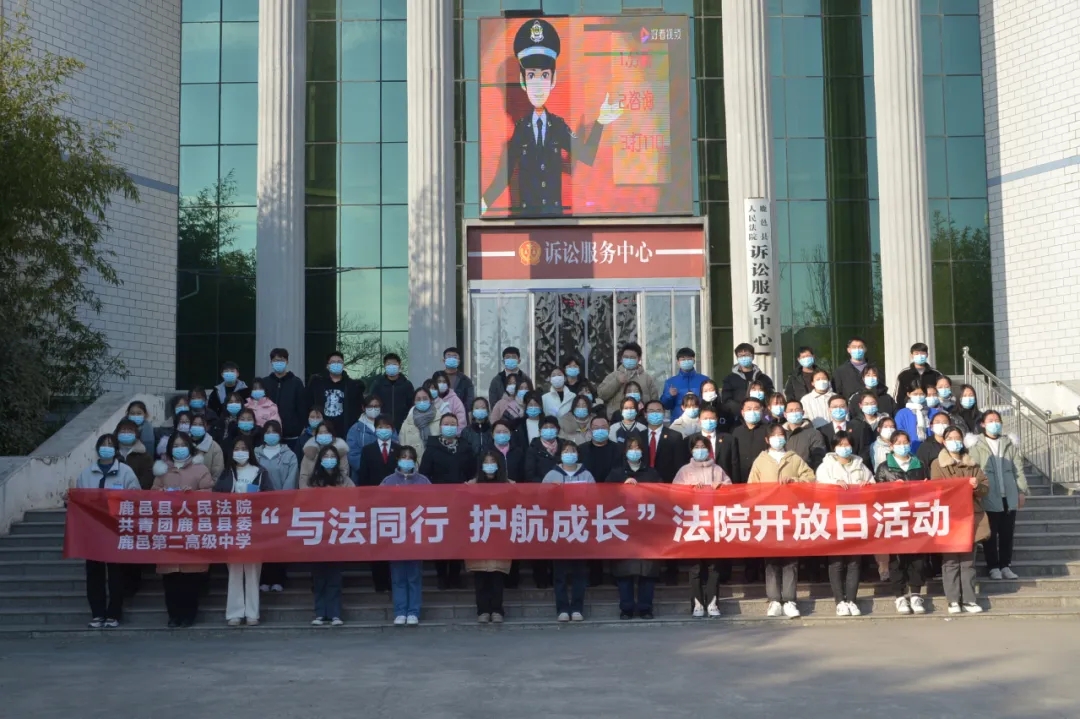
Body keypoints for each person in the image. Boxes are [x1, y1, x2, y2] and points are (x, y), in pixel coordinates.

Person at [480, 17, 622, 218]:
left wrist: (600, 122)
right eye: (531, 76)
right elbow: (502, 178)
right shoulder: (520, 131)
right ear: (523, 81)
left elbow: (587, 156)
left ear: (553, 80)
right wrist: (480, 205)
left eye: (544, 76)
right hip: (526, 222)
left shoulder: (557, 126)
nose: (538, 86)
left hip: (555, 221)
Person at [77, 434, 140, 628]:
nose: (107, 447)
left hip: (116, 530)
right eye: (103, 444)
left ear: (116, 449)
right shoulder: (86, 474)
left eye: (110, 444)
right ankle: (97, 614)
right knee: (94, 573)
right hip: (93, 530)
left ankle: (114, 614)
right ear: (97, 449)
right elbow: (79, 500)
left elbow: (136, 497)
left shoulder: (126, 472)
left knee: (116, 574)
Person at [152, 432, 214, 627]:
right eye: (176, 445)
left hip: (191, 529)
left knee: (190, 577)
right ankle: (173, 615)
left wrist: (193, 494)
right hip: (168, 529)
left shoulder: (200, 469)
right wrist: (161, 493)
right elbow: (151, 495)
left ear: (190, 447)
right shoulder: (162, 471)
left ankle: (189, 614)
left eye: (183, 445)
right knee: (170, 577)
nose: (179, 448)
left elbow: (209, 494)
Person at [929, 426, 990, 614]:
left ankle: (969, 600)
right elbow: (937, 487)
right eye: (950, 438)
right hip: (949, 518)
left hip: (970, 517)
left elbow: (985, 488)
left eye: (957, 438)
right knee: (950, 561)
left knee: (968, 561)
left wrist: (976, 485)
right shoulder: (937, 464)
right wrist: (960, 485)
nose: (954, 442)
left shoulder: (972, 463)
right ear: (944, 441)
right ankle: (953, 600)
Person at [815, 432, 874, 617]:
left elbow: (874, 486)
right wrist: (834, 484)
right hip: (834, 519)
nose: (844, 448)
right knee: (837, 562)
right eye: (840, 445)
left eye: (847, 444)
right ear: (834, 447)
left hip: (856, 519)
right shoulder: (826, 466)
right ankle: (840, 601)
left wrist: (867, 484)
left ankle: (852, 600)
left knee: (854, 562)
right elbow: (818, 489)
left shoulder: (860, 465)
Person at [673, 434, 734, 616]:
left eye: (703, 447)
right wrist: (690, 488)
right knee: (695, 567)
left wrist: (721, 486)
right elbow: (674, 493)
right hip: (693, 523)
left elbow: (731, 490)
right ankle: (697, 604)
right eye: (696, 447)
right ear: (691, 450)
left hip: (713, 523)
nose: (700, 450)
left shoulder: (717, 469)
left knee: (714, 566)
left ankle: (713, 603)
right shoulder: (684, 470)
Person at [213, 436, 269, 626]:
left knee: (253, 572)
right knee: (235, 571)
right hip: (232, 527)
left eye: (243, 448)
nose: (240, 452)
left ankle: (252, 612)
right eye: (236, 448)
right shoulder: (226, 473)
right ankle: (235, 612)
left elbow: (271, 497)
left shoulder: (260, 472)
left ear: (250, 451)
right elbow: (216, 498)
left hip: (254, 528)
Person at [605, 437, 662, 619]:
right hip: (623, 529)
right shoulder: (616, 473)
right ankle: (626, 608)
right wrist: (621, 488)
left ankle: (645, 608)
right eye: (631, 448)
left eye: (638, 448)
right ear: (625, 451)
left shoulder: (651, 473)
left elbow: (663, 496)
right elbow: (604, 497)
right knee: (624, 571)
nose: (634, 451)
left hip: (647, 529)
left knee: (647, 571)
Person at [874, 429, 930, 614]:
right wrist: (891, 489)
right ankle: (899, 596)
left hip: (916, 517)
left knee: (917, 558)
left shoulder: (919, 464)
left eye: (905, 442)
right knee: (897, 560)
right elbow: (877, 494)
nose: (902, 446)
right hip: (895, 518)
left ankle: (915, 594)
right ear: (891, 446)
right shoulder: (884, 468)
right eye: (898, 443)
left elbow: (929, 488)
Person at [969, 410, 1029, 581]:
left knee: (1007, 533)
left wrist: (1021, 491)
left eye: (997, 420)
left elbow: (1018, 470)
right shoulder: (977, 445)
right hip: (988, 496)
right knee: (990, 534)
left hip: (1008, 496)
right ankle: (993, 567)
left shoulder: (1009, 444)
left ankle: (1005, 565)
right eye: (990, 420)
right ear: (983, 424)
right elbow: (974, 470)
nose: (994, 423)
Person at [420, 414, 476, 589]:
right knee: (441, 539)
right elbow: (424, 474)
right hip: (439, 502)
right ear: (440, 426)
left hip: (460, 501)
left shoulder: (465, 448)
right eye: (446, 424)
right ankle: (441, 576)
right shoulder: (432, 449)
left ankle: (455, 575)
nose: (449, 427)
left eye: (453, 424)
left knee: (458, 538)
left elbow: (472, 473)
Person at [543, 440, 595, 621]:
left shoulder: (586, 475)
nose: (569, 454)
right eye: (566, 451)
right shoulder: (552, 475)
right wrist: (552, 492)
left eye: (573, 451)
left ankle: (577, 608)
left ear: (578, 454)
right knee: (560, 573)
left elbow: (596, 498)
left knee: (580, 572)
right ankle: (563, 609)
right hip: (559, 529)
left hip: (580, 527)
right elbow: (540, 499)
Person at [381, 446, 430, 626]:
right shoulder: (388, 481)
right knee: (398, 576)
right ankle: (400, 611)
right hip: (395, 535)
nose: (407, 460)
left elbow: (433, 503)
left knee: (414, 576)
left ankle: (413, 611)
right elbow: (377, 503)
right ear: (397, 460)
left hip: (416, 534)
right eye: (403, 457)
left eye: (410, 457)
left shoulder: (423, 481)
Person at [305, 445, 352, 627]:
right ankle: (320, 613)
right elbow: (304, 501)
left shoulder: (344, 480)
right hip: (317, 532)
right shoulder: (313, 481)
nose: (329, 459)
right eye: (326, 456)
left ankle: (334, 613)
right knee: (318, 576)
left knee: (334, 576)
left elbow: (355, 498)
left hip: (337, 532)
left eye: (333, 456)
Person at [466, 452, 513, 623]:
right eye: (486, 462)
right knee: (480, 576)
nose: (489, 465)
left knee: (497, 575)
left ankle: (497, 610)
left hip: (500, 536)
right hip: (479, 535)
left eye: (493, 461)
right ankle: (483, 610)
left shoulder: (509, 486)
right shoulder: (470, 486)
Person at [255, 420, 297, 593]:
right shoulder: (255, 453)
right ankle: (264, 578)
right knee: (263, 543)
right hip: (260, 507)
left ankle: (279, 578)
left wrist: (281, 499)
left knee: (280, 543)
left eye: (274, 431)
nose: (271, 434)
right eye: (268, 431)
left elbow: (291, 479)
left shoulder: (289, 455)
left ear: (280, 434)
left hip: (281, 505)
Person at [308, 350, 366, 438]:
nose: (336, 364)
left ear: (343, 365)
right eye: (333, 362)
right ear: (327, 366)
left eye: (339, 362)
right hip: (322, 432)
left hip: (345, 432)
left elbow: (358, 408)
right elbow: (308, 404)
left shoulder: (351, 385)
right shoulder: (318, 384)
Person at [598, 341, 659, 417]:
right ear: (622, 358)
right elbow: (602, 394)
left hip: (641, 418)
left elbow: (655, 401)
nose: (629, 359)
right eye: (626, 357)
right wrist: (617, 382)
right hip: (617, 418)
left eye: (632, 357)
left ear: (639, 359)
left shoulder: (647, 378)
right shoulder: (613, 376)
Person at [261, 348, 307, 446]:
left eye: (281, 360)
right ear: (271, 362)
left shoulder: (296, 382)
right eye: (275, 360)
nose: (278, 363)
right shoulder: (265, 382)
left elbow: (302, 408)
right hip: (269, 434)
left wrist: (299, 428)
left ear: (287, 361)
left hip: (291, 436)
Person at [720, 343, 775, 418]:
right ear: (737, 358)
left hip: (761, 416)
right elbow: (726, 400)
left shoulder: (764, 378)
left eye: (746, 355)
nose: (743, 357)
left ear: (752, 356)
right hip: (738, 417)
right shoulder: (729, 379)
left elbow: (771, 398)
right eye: (740, 355)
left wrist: (761, 409)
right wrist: (744, 410)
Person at [818, 396, 874, 467]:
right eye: (834, 407)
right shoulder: (821, 431)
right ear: (829, 409)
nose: (838, 409)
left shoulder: (859, 428)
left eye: (842, 406)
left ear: (847, 409)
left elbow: (864, 452)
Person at [365, 352, 414, 432]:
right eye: (388, 364)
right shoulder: (378, 384)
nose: (391, 366)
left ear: (399, 366)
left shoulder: (407, 385)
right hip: (382, 427)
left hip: (403, 427)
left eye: (394, 364)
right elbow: (371, 404)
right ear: (384, 366)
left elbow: (411, 406)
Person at [347, 394, 395, 475]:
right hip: (363, 474)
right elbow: (352, 454)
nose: (373, 409)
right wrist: (366, 469)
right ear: (363, 408)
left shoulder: (388, 425)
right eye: (370, 406)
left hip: (388, 473)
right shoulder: (355, 429)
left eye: (376, 406)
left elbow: (395, 445)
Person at [642, 400, 687, 483]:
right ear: (645, 414)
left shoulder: (675, 436)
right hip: (642, 483)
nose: (655, 414)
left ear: (664, 413)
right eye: (651, 411)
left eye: (658, 411)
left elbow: (679, 464)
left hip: (667, 483)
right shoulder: (638, 436)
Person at [661, 347, 709, 420]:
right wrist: (669, 396)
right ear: (678, 362)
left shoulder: (704, 380)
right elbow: (666, 406)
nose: (686, 361)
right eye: (683, 359)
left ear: (694, 360)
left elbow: (709, 403)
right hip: (678, 422)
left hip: (700, 421)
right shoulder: (671, 382)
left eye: (689, 359)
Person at [299, 421, 351, 488]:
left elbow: (344, 475)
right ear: (316, 436)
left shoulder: (341, 451)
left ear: (332, 434)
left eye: (326, 432)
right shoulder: (309, 452)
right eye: (320, 433)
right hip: (313, 491)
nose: (323, 435)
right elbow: (303, 477)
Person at [399, 387, 444, 463]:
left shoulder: (440, 420)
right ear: (414, 402)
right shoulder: (407, 423)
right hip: (414, 465)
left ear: (431, 400)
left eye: (425, 398)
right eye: (418, 399)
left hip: (436, 464)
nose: (422, 402)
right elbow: (402, 446)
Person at [893, 382, 939, 454]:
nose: (919, 397)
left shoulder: (933, 412)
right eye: (915, 394)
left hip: (931, 449)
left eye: (921, 394)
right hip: (911, 449)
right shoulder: (902, 414)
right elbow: (899, 432)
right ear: (908, 394)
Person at [731, 398, 769, 485]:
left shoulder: (768, 430)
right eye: (749, 409)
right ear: (742, 412)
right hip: (741, 480)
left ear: (761, 411)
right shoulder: (736, 432)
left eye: (756, 409)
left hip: (763, 479)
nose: (752, 412)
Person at [781, 400, 827, 470]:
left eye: (797, 410)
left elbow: (818, 458)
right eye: (791, 410)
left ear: (802, 413)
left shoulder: (814, 433)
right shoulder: (780, 433)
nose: (794, 413)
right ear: (785, 414)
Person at [577, 414, 621, 483]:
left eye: (603, 427)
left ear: (609, 429)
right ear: (590, 430)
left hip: (611, 486)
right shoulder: (581, 449)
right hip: (588, 486)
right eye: (596, 428)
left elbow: (619, 471)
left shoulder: (618, 449)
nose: (600, 430)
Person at [115, 418, 154, 490]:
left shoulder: (145, 456)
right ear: (117, 433)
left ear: (136, 434)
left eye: (130, 430)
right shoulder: (112, 454)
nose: (126, 433)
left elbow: (147, 480)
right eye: (123, 430)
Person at [833, 337, 874, 401]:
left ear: (865, 349)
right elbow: (837, 393)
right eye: (854, 347)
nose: (857, 350)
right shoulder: (840, 372)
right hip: (850, 406)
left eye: (860, 347)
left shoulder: (874, 369)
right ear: (848, 350)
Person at [524, 414, 561, 482]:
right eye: (545, 427)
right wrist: (546, 483)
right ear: (540, 431)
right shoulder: (533, 449)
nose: (549, 430)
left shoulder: (564, 446)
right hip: (541, 486)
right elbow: (530, 474)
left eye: (552, 427)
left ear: (557, 430)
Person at [189, 414, 224, 482]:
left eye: (200, 425)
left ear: (206, 427)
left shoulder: (215, 447)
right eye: (194, 424)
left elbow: (217, 473)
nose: (197, 427)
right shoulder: (184, 444)